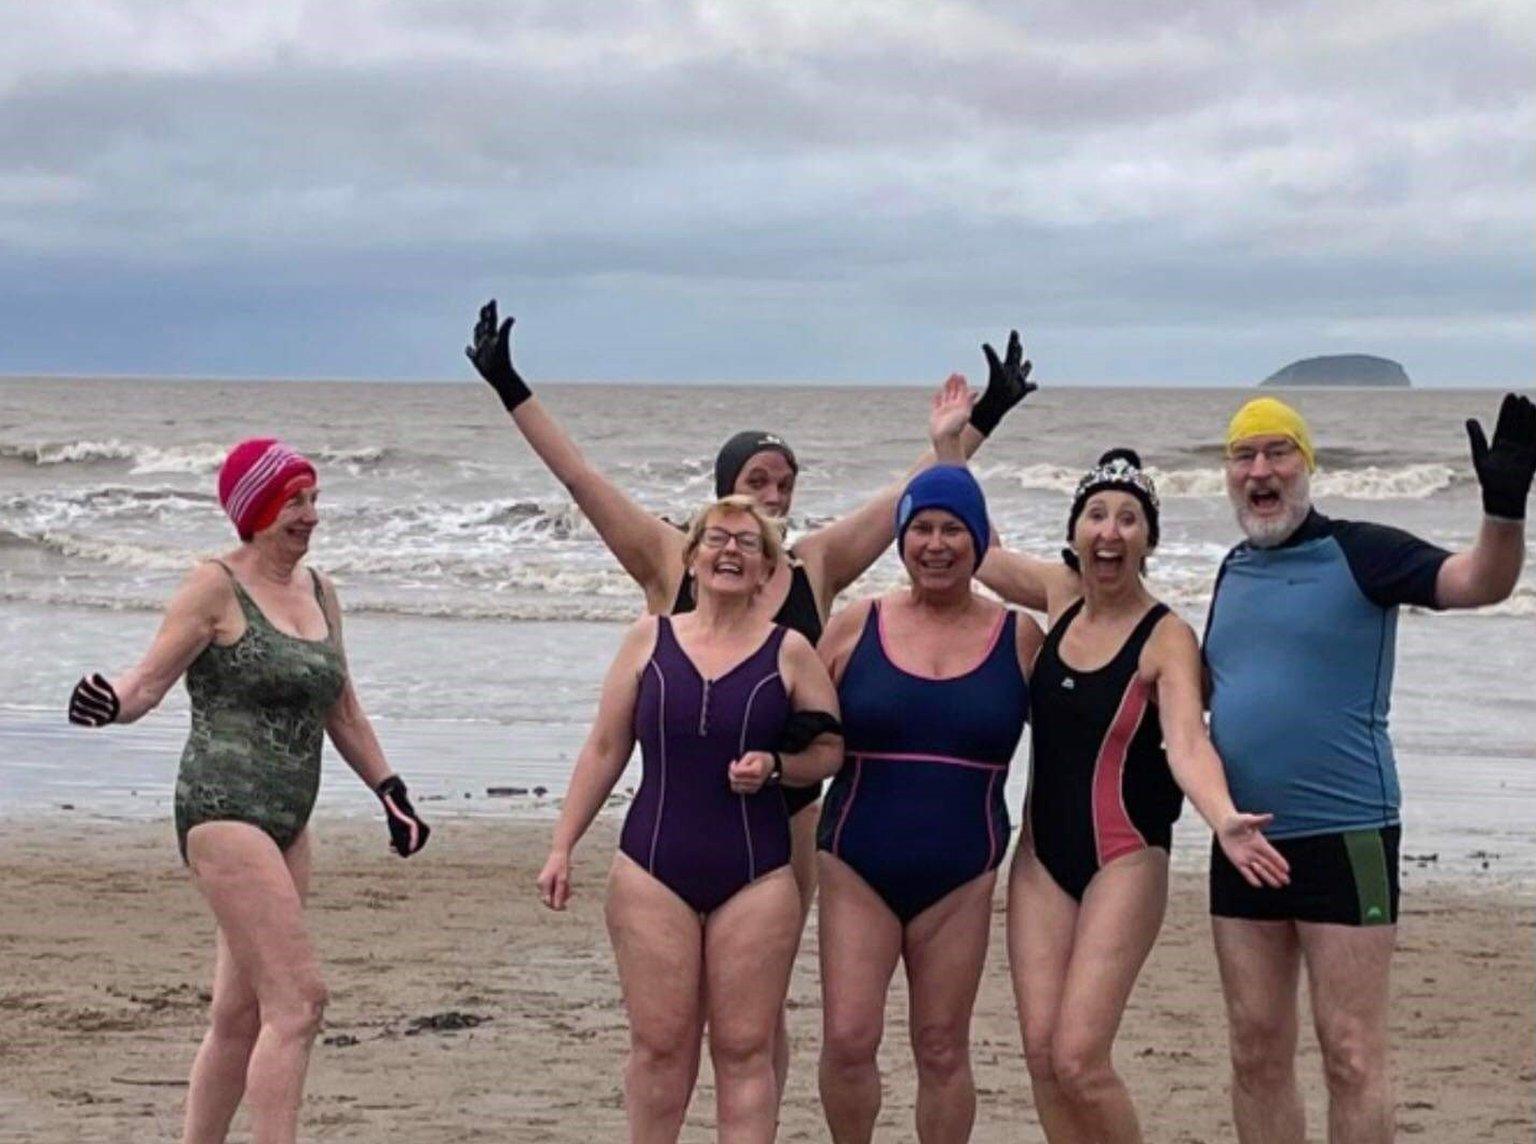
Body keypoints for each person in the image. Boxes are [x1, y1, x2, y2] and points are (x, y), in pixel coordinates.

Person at [467, 300, 1033, 1086]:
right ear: (720, 495)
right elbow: (580, 476)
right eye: (754, 482)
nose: (772, 497)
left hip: (786, 822)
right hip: (682, 815)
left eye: (785, 484)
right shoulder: (674, 560)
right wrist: (507, 383)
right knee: (670, 1026)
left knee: (755, 1017)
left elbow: (921, 495)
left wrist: (989, 412)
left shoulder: (816, 565)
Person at [66, 438, 431, 1144]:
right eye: (294, 500)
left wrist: (390, 790)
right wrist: (107, 701)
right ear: (256, 507)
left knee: (239, 1016)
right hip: (221, 809)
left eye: (314, 498)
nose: (310, 515)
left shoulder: (322, 591)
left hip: (290, 818)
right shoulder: (213, 586)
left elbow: (343, 709)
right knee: (299, 1003)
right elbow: (145, 684)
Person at [1203, 394, 1534, 1144]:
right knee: (1254, 1050)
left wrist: (1505, 510)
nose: (1261, 470)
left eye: (1278, 452)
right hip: (1240, 839)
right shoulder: (1229, 568)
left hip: (1346, 835)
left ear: (1307, 465)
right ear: (1228, 474)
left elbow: (1480, 582)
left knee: (1350, 1052)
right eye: (1243, 455)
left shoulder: (1364, 552)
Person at [976, 448, 1289, 1142]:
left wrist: (1224, 819)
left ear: (1148, 540)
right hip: (1040, 862)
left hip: (1125, 856)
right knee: (1040, 1058)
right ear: (1076, 532)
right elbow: (976, 547)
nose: (1109, 531)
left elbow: (1186, 743)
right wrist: (951, 448)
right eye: (1095, 515)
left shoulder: (1166, 636)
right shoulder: (1058, 599)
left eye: (1127, 519)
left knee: (1079, 1058)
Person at [535, 495, 843, 1142]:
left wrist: (777, 767)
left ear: (766, 571)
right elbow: (605, 747)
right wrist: (562, 845)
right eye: (716, 540)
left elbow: (829, 750)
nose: (730, 551)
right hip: (653, 865)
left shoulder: (790, 652)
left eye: (747, 544)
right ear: (693, 559)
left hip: (757, 874)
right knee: (660, 1046)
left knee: (743, 1048)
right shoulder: (650, 639)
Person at [813, 461, 1041, 1143]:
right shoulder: (858, 625)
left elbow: (1080, 737)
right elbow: (793, 723)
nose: (936, 544)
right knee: (850, 1039)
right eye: (920, 529)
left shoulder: (1020, 637)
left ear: (979, 542)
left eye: (952, 529)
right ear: (900, 538)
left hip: (963, 873)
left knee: (942, 1047)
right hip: (857, 861)